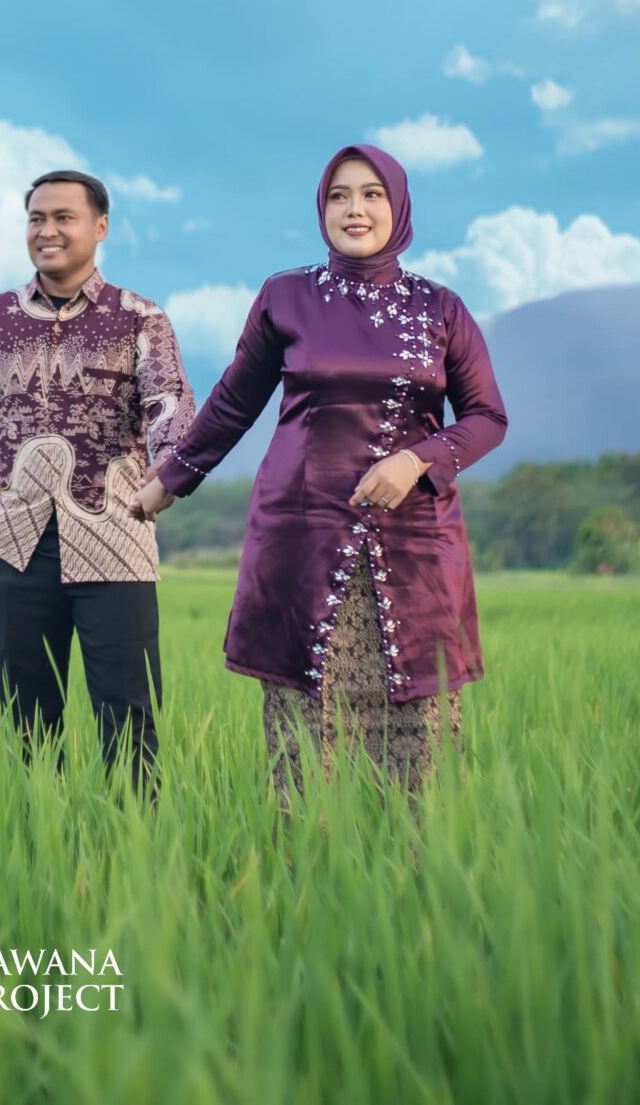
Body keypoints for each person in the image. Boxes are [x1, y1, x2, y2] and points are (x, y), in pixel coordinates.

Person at [132, 144, 508, 803]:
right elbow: (235, 400)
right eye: (339, 195)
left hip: (415, 551)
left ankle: (417, 870)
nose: (354, 209)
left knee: (420, 756)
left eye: (371, 194)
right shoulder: (286, 297)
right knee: (303, 750)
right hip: (302, 540)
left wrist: (417, 459)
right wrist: (171, 478)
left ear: (399, 206)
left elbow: (487, 417)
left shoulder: (441, 308)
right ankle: (304, 866)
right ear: (321, 208)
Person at [0, 168, 194, 796]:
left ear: (100, 228)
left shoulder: (139, 319)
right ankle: (37, 844)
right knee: (28, 731)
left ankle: (133, 846)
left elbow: (172, 410)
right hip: (13, 549)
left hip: (116, 543)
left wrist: (165, 480)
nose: (47, 231)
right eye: (36, 219)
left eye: (63, 218)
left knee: (130, 727)